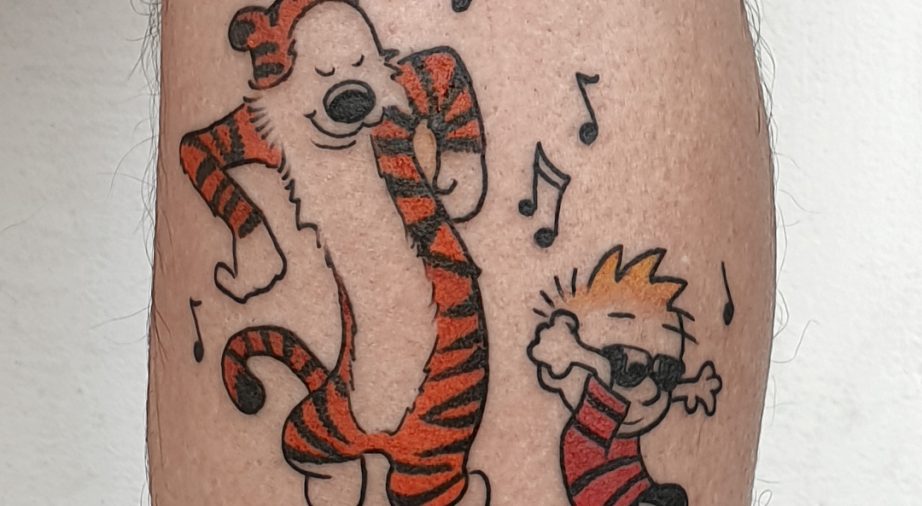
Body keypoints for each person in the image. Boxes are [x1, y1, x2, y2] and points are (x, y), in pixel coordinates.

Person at [148, 0, 774, 504]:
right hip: (360, 383)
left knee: (425, 478)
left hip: (444, 377)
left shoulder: (391, 91)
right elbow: (201, 152)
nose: (351, 96)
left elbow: (443, 71)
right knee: (316, 440)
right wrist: (248, 229)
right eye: (324, 78)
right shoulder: (274, 121)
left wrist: (464, 154)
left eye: (359, 65)